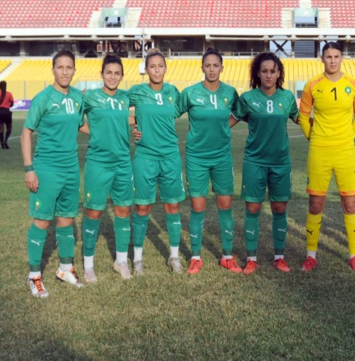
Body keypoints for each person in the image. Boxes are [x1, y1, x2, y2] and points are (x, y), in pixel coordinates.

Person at [298, 42, 355, 273]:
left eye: (337, 56)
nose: (333, 61)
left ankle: (354, 255)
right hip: (319, 150)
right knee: (316, 203)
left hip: (346, 151)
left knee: (350, 203)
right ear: (322, 58)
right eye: (329, 57)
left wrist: (347, 136)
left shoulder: (353, 85)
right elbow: (302, 115)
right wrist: (313, 138)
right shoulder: (312, 86)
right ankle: (310, 255)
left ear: (342, 58)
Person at [21, 50, 85, 298]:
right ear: (54, 70)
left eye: (69, 67)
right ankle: (34, 276)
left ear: (74, 70)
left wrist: (118, 126)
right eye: (61, 67)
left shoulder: (78, 97)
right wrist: (29, 169)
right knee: (42, 221)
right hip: (47, 168)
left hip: (71, 168)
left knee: (67, 219)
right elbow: (26, 132)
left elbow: (83, 126)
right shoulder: (43, 98)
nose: (65, 71)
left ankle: (65, 269)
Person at [231, 52, 299, 274]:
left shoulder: (287, 98)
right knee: (253, 208)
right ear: (257, 74)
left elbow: (303, 119)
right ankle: (251, 258)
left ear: (279, 73)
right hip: (254, 161)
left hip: (280, 163)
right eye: (264, 71)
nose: (268, 75)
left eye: (272, 71)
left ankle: (279, 257)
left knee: (279, 208)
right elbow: (227, 123)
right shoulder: (248, 99)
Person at [177, 48, 240, 274]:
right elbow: (170, 113)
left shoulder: (230, 93)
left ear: (222, 67)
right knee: (197, 207)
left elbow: (239, 114)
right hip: (196, 158)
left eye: (216, 65)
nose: (212, 69)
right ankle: (195, 257)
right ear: (202, 67)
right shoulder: (190, 93)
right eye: (208, 65)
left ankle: (228, 256)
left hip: (222, 157)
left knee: (225, 206)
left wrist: (224, 127)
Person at [129, 48, 185, 274]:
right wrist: (133, 124)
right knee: (143, 206)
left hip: (170, 157)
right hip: (145, 157)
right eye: (152, 66)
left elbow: (183, 112)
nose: (156, 70)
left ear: (165, 68)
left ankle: (174, 256)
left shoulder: (173, 92)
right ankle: (138, 259)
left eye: (160, 66)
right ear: (146, 69)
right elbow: (116, 106)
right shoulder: (137, 91)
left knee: (172, 206)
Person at [79, 55, 133, 282]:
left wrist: (136, 128)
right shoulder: (90, 97)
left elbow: (127, 120)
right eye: (109, 72)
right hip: (98, 164)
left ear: (122, 75)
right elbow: (77, 121)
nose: (113, 76)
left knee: (123, 211)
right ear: (102, 74)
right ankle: (88, 266)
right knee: (94, 212)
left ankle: (121, 262)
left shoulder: (125, 98)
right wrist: (97, 134)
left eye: (117, 73)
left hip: (122, 163)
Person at [0, 80, 14, 149]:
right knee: (9, 128)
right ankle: (5, 140)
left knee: (1, 130)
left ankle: (2, 144)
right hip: (6, 112)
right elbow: (12, 103)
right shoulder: (9, 94)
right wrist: (8, 105)